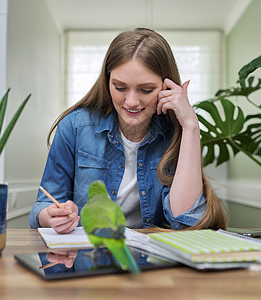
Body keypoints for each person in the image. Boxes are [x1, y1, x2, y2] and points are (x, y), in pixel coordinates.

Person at [29, 28, 226, 233]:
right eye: (120, 87)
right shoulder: (75, 126)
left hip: (151, 262)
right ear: (107, 82)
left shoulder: (175, 133)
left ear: (166, 87)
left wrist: (191, 127)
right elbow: (42, 207)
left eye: (146, 90)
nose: (131, 102)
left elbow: (186, 222)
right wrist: (51, 217)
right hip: (90, 258)